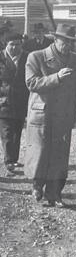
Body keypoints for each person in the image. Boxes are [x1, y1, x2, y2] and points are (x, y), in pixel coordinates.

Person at [24, 23, 76, 207]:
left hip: (64, 115)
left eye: (71, 42)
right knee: (40, 152)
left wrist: (74, 113)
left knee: (59, 156)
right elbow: (31, 83)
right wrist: (56, 77)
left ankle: (55, 194)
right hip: (42, 114)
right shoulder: (36, 56)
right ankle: (37, 186)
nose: (68, 45)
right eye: (65, 41)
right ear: (55, 40)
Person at [0, 34, 29, 173]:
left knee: (17, 132)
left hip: (20, 102)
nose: (14, 47)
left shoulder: (27, 57)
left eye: (17, 44)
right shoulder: (1, 57)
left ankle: (14, 159)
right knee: (6, 132)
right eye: (11, 44)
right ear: (6, 44)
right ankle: (8, 161)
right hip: (3, 102)